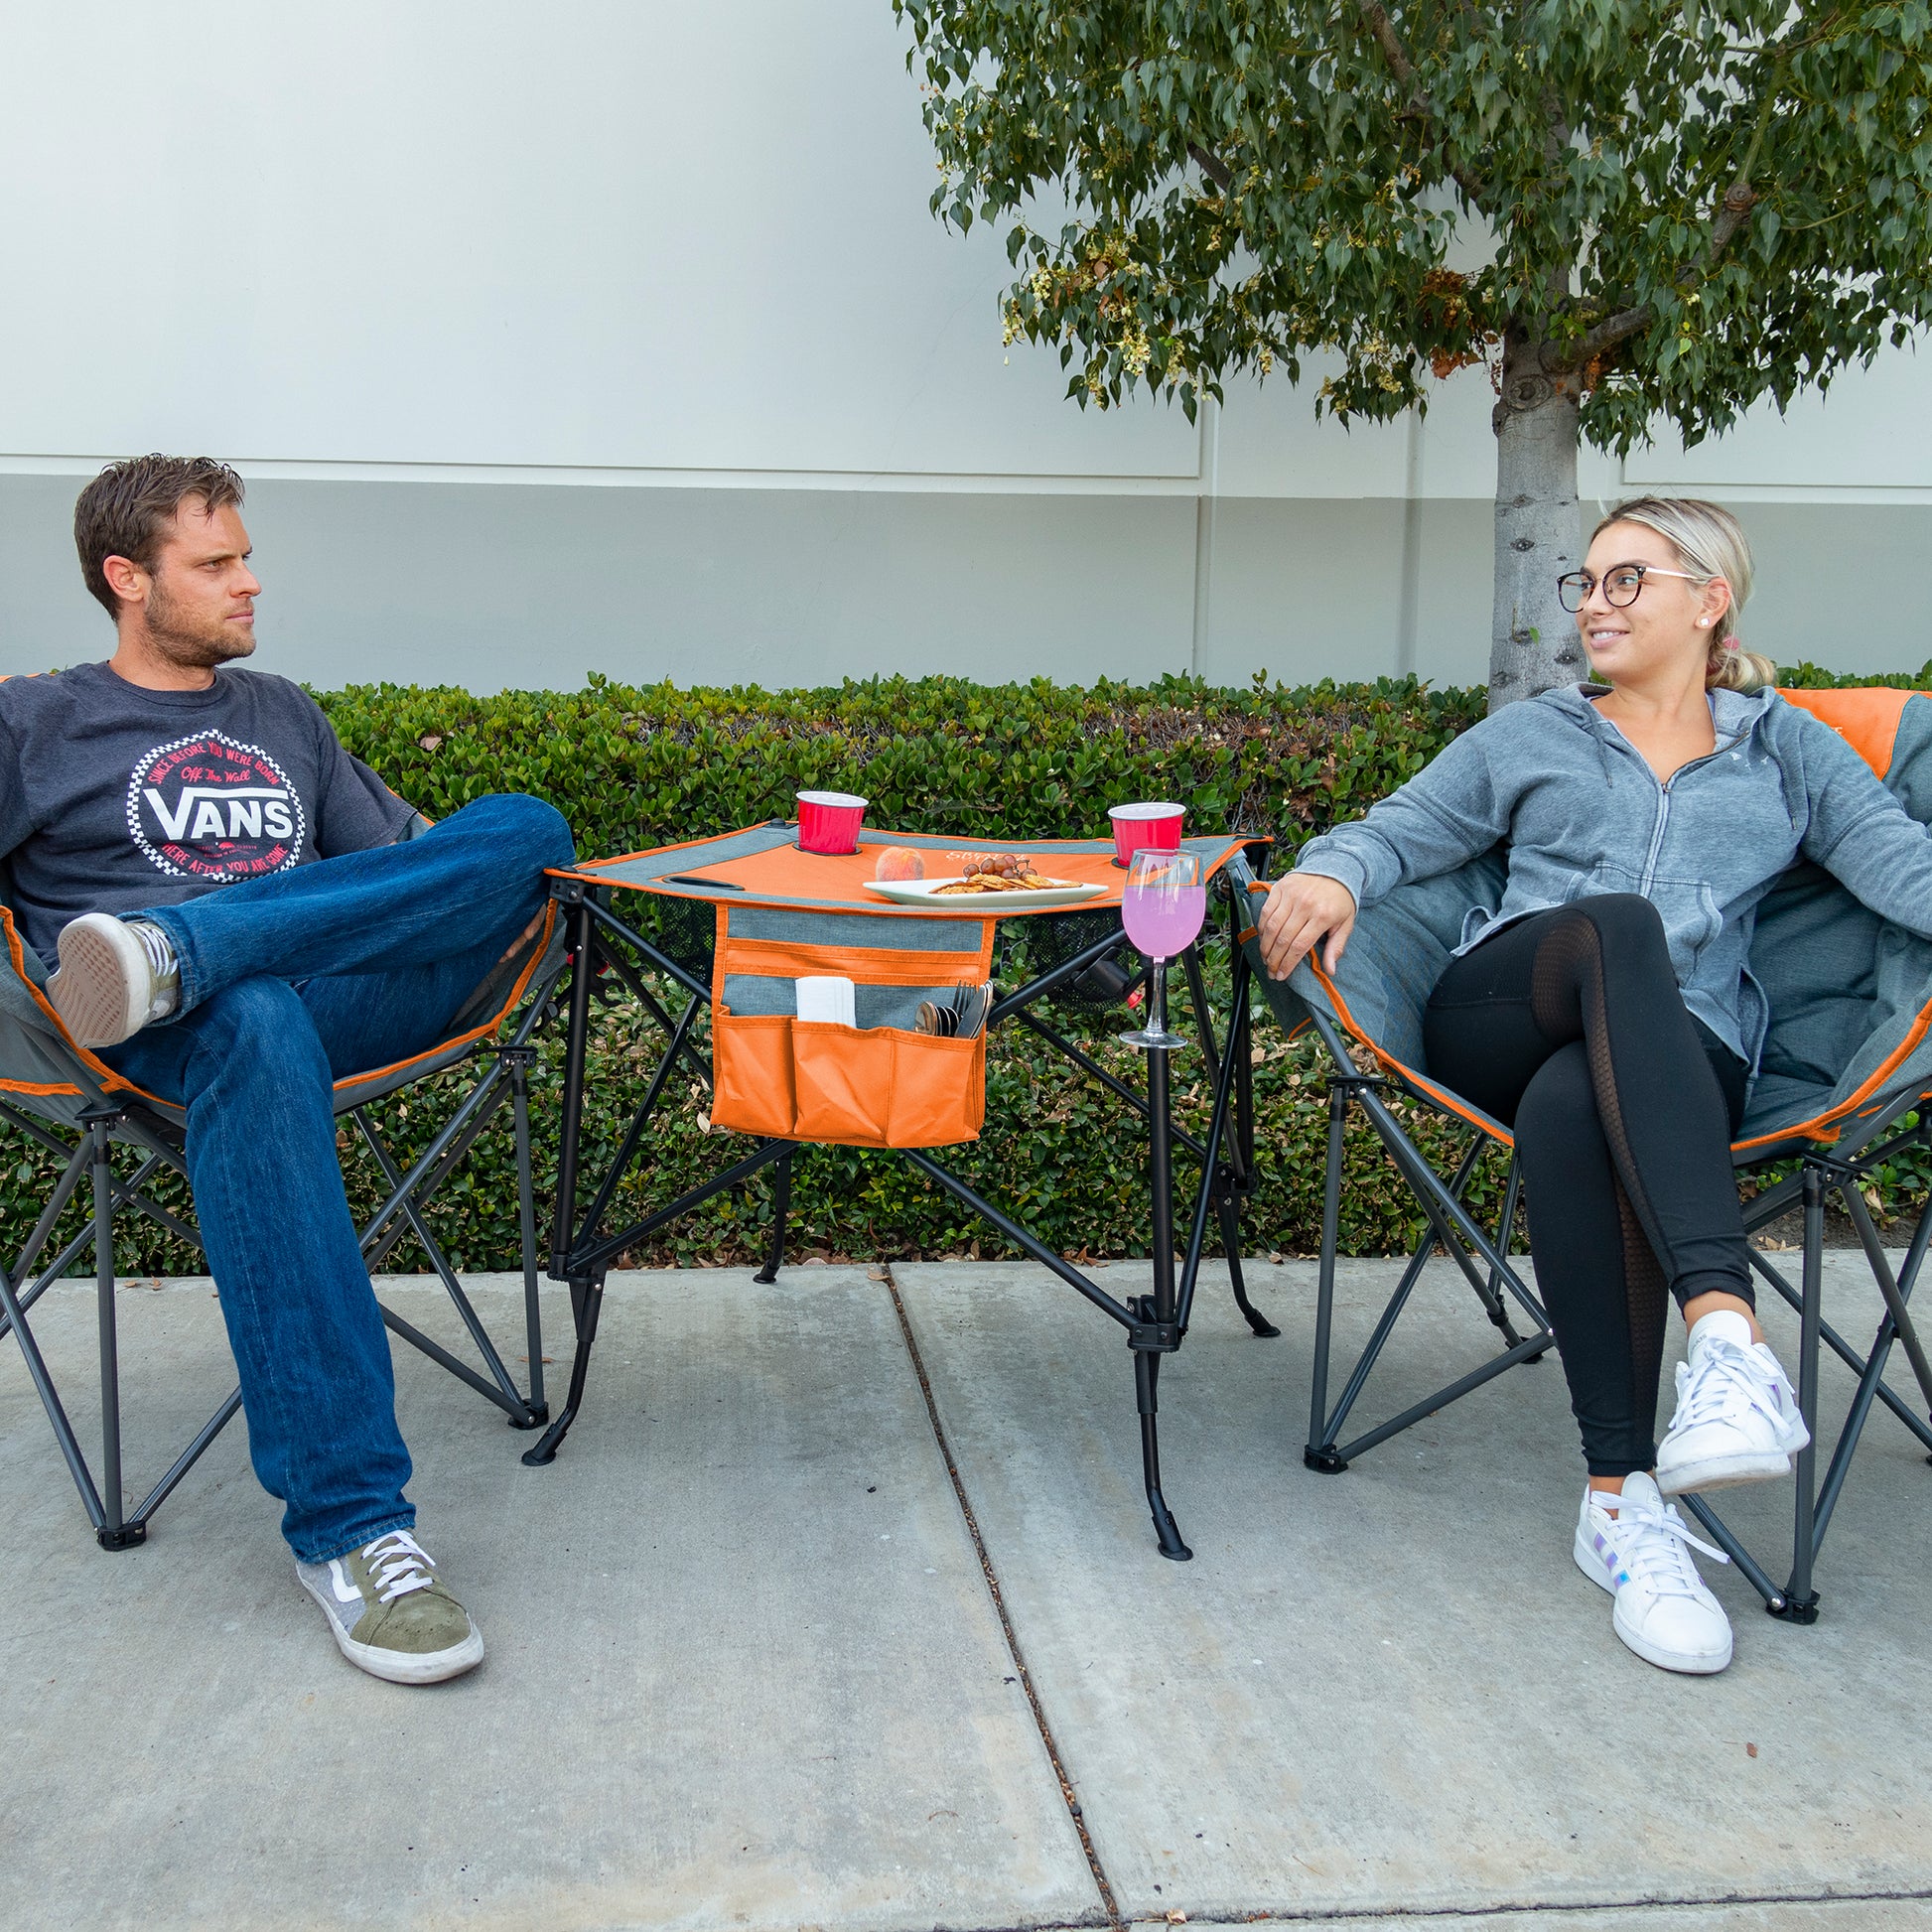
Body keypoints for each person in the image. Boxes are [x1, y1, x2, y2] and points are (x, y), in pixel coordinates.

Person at [1258, 495, 1932, 1675]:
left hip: (1681, 1056)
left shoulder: (1786, 751)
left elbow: (1898, 866)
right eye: (1585, 583)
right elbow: (1403, 826)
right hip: (1501, 1004)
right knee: (1613, 926)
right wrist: (1329, 869)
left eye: (1625, 580)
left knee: (1579, 1102)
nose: (1592, 605)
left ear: (1707, 599)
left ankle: (1619, 1500)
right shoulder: (1535, 733)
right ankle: (1724, 1335)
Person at [0, 455, 575, 1685]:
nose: (250, 582)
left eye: (244, 555)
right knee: (253, 1017)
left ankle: (183, 947)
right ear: (125, 578)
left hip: (323, 993)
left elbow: (408, 878)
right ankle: (356, 1531)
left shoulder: (281, 714)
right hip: (155, 1039)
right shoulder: (35, 721)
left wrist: (238, 934)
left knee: (527, 827)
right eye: (215, 564)